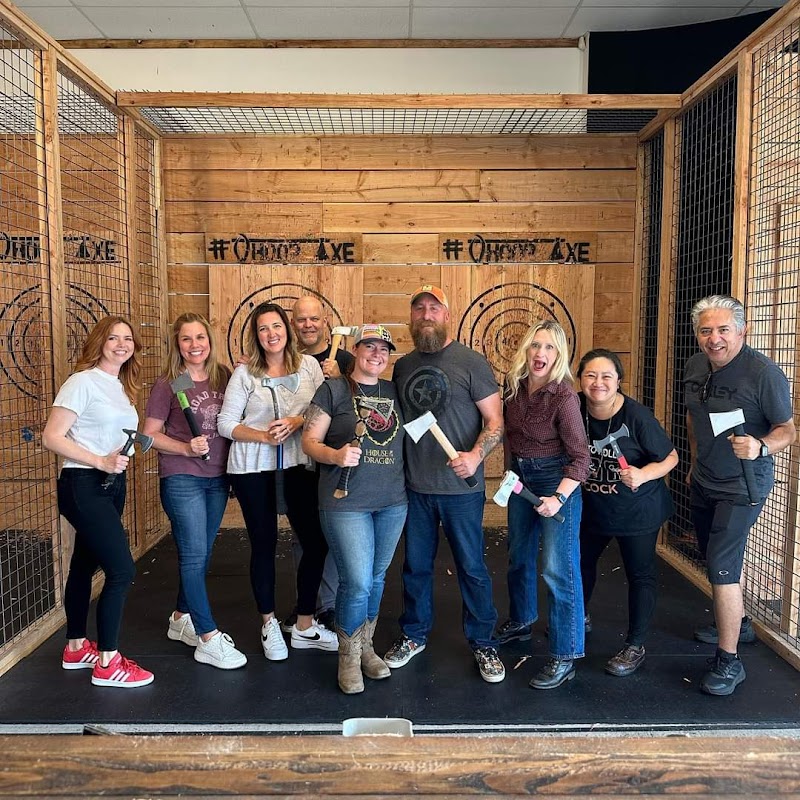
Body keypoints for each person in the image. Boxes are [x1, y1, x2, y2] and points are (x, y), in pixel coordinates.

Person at [384, 285, 506, 684]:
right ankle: (413, 634)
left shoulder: (471, 362)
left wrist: (475, 456)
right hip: (415, 488)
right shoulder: (403, 366)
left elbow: (495, 422)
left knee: (471, 568)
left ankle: (483, 642)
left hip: (461, 491)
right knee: (415, 568)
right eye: (419, 308)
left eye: (434, 308)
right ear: (412, 317)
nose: (426, 314)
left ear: (447, 315)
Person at [685, 295, 794, 696]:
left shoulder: (764, 373)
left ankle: (729, 661)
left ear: (742, 331)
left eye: (723, 330)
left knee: (721, 566)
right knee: (714, 557)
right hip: (705, 479)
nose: (714, 338)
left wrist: (761, 446)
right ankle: (740, 624)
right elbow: (694, 416)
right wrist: (694, 461)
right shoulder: (695, 366)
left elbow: (787, 429)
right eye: (706, 330)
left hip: (743, 485)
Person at [217, 302, 337, 660]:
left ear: (288, 329)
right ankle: (269, 624)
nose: (271, 334)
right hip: (253, 467)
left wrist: (297, 422)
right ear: (256, 336)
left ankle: (304, 625)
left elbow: (323, 408)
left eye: (276, 326)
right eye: (263, 328)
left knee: (315, 542)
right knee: (264, 543)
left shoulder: (309, 366)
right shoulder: (245, 374)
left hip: (299, 464)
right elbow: (225, 423)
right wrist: (262, 436)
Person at [43, 316, 153, 688]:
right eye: (113, 338)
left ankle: (76, 647)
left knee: (83, 563)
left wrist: (115, 460)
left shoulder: (120, 386)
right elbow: (52, 437)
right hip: (84, 483)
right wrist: (100, 461)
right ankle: (108, 662)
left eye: (128, 338)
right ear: (99, 343)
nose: (122, 344)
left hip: (111, 484)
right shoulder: (82, 382)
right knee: (121, 571)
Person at [302, 324, 407, 694]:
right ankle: (347, 658)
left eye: (383, 349)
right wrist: (335, 455)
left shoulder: (395, 391)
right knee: (358, 581)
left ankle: (366, 647)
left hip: (392, 501)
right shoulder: (333, 389)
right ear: (356, 351)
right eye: (369, 346)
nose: (376, 354)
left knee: (376, 578)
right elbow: (309, 441)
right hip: (346, 502)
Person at [143, 312, 246, 670]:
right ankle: (207, 637)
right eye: (186, 338)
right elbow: (148, 435)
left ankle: (179, 618)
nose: (194, 345)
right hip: (182, 476)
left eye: (200, 337)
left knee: (201, 554)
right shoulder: (171, 383)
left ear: (209, 340)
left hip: (217, 477)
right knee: (194, 555)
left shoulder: (223, 377)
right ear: (177, 344)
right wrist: (186, 448)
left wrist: (247, 371)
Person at [498, 320, 590, 689]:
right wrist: (509, 474)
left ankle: (566, 653)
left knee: (558, 569)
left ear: (559, 355)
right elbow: (509, 437)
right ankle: (521, 620)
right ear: (526, 349)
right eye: (536, 345)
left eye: (550, 347)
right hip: (521, 479)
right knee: (518, 555)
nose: (541, 353)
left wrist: (559, 498)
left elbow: (581, 459)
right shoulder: (514, 388)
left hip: (556, 481)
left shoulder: (563, 397)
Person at [578, 348, 678, 677]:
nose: (598, 382)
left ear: (619, 380)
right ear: (580, 379)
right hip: (594, 508)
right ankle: (579, 617)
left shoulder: (636, 416)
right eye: (591, 375)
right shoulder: (574, 407)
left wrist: (644, 474)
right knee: (581, 563)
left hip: (638, 510)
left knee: (639, 573)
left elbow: (671, 457)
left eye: (606, 376)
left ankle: (635, 644)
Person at [280, 295, 354, 633]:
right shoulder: (285, 358)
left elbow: (364, 402)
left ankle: (330, 606)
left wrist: (343, 380)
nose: (308, 325)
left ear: (325, 321)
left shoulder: (346, 361)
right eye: (301, 319)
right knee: (305, 538)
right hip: (298, 462)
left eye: (314, 319)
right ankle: (307, 605)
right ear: (293, 324)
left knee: (334, 535)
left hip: (337, 463)